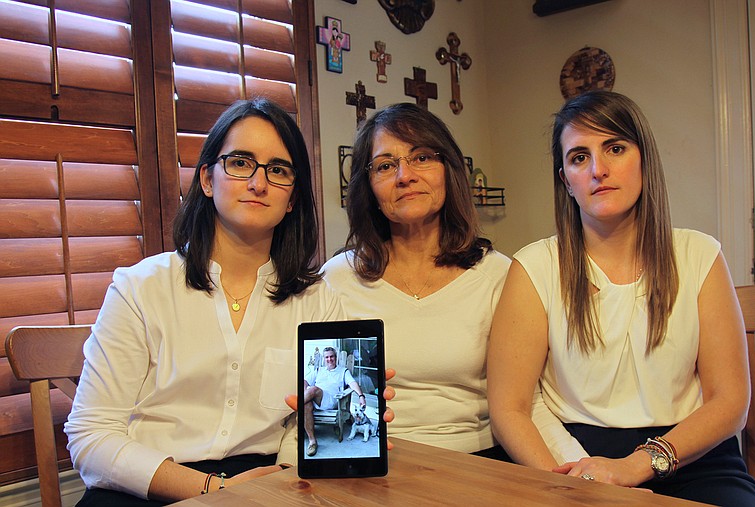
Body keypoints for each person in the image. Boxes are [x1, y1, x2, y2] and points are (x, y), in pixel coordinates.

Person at [64, 99, 394, 506]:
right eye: (240, 163)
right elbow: (91, 435)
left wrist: (299, 469)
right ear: (207, 178)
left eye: (278, 170)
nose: (259, 183)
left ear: (291, 198)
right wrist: (217, 492)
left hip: (265, 484)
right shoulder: (141, 288)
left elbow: (297, 430)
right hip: (148, 484)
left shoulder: (317, 299)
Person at [487, 91, 755, 506]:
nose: (599, 169)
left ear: (644, 161)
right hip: (572, 457)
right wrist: (564, 480)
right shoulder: (535, 266)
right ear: (565, 179)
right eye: (579, 157)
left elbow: (729, 402)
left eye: (614, 148)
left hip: (691, 456)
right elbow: (509, 407)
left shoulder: (699, 255)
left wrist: (637, 465)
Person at [323, 103, 511, 459]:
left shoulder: (499, 275)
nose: (404, 176)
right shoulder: (335, 279)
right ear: (370, 190)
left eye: (421, 158)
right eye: (385, 166)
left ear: (449, 171)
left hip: (478, 460)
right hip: (371, 460)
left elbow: (525, 403)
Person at [303, 346, 368, 456]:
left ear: (336, 357)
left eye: (331, 356)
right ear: (324, 358)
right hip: (314, 400)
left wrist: (361, 396)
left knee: (313, 389)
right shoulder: (319, 370)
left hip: (332, 400)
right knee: (306, 405)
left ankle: (294, 408)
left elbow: (352, 384)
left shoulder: (343, 371)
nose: (329, 359)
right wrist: (305, 390)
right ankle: (312, 441)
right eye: (327, 357)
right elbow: (304, 381)